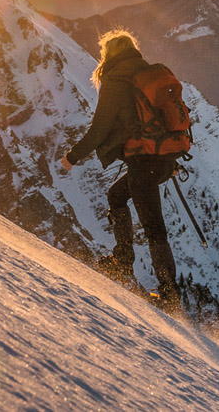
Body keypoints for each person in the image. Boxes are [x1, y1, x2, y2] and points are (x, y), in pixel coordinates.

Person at [59, 29, 181, 313]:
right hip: (162, 160)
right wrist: (171, 162)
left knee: (154, 229)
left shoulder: (116, 81)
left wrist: (72, 157)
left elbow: (100, 128)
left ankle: (169, 295)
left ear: (109, 54)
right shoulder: (148, 74)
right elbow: (162, 121)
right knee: (116, 196)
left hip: (144, 165)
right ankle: (123, 259)